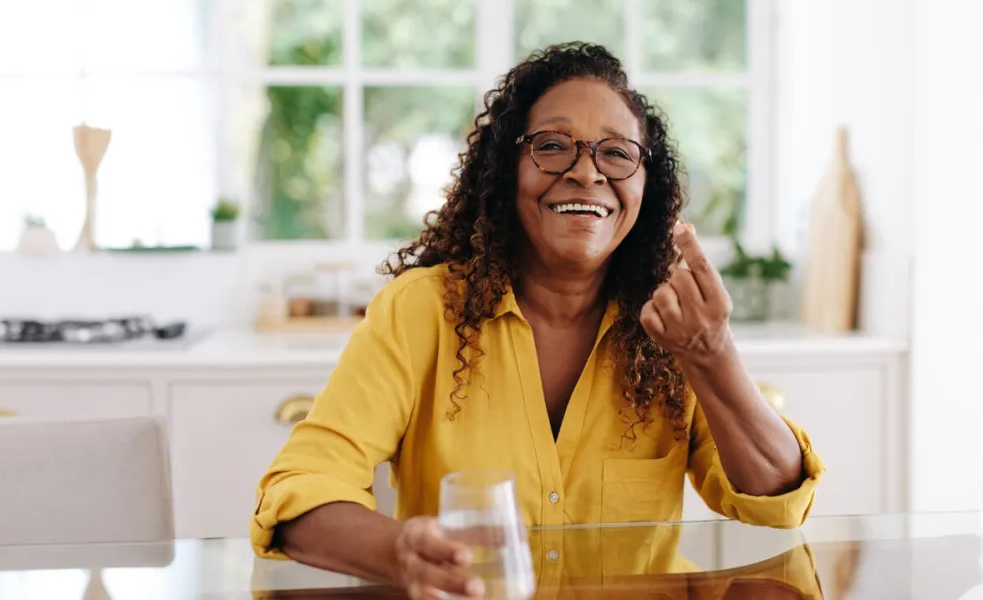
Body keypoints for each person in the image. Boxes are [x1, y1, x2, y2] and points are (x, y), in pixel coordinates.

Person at [250, 42, 825, 598]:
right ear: (506, 170)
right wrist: (400, 552)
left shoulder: (672, 328)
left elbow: (776, 500)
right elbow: (300, 490)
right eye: (552, 146)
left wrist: (711, 353)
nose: (587, 172)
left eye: (617, 152)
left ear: (646, 188)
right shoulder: (420, 312)